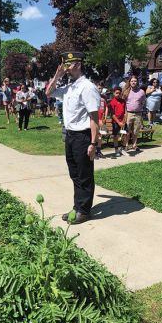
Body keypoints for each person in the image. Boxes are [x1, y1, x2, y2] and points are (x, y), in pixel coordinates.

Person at [46, 51, 100, 224]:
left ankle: (84, 211)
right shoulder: (70, 87)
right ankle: (77, 206)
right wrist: (56, 75)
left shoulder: (87, 87)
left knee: (84, 175)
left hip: (83, 137)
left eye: (68, 65)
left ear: (78, 64)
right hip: (70, 136)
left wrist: (93, 143)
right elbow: (49, 93)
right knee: (74, 174)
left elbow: (94, 118)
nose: (66, 68)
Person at [122, 75, 146, 152]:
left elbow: (143, 102)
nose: (133, 82)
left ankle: (134, 145)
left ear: (137, 82)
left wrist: (139, 107)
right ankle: (125, 145)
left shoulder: (141, 91)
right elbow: (123, 103)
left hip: (138, 114)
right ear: (129, 82)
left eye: (135, 81)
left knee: (136, 131)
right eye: (132, 81)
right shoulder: (126, 91)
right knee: (127, 131)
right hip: (128, 113)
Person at [110, 87, 129, 157]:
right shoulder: (112, 102)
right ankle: (116, 150)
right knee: (116, 136)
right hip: (116, 122)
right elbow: (113, 114)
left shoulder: (123, 101)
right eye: (116, 93)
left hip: (123, 122)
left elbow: (125, 112)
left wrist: (124, 121)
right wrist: (119, 123)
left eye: (119, 93)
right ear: (113, 93)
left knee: (126, 134)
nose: (118, 94)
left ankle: (123, 149)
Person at [95, 81, 108, 158]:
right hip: (95, 119)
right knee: (94, 135)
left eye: (101, 88)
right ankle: (93, 152)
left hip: (102, 119)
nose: (100, 90)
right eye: (99, 88)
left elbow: (106, 108)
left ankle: (99, 151)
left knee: (100, 135)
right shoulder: (92, 96)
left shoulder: (104, 97)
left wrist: (105, 117)